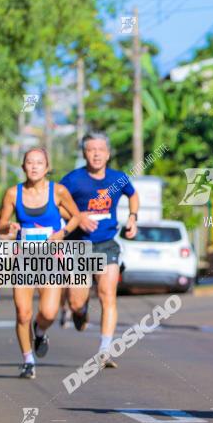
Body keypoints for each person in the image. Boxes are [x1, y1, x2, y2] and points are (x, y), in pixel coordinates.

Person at [0, 148, 81, 379]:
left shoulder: (59, 191)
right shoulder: (12, 194)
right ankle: (28, 360)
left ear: (47, 167)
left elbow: (76, 217)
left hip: (51, 259)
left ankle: (40, 331)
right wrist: (9, 227)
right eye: (30, 162)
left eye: (39, 162)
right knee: (23, 313)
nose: (34, 166)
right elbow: (1, 225)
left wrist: (62, 232)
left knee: (48, 312)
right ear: (23, 167)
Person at [60, 132, 139, 368]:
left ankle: (105, 350)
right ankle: (79, 312)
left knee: (108, 295)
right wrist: (77, 217)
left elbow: (133, 196)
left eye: (100, 149)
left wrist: (133, 217)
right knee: (75, 301)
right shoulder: (73, 180)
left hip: (106, 243)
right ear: (84, 153)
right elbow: (56, 204)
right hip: (79, 246)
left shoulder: (118, 178)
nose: (96, 153)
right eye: (91, 149)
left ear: (108, 153)